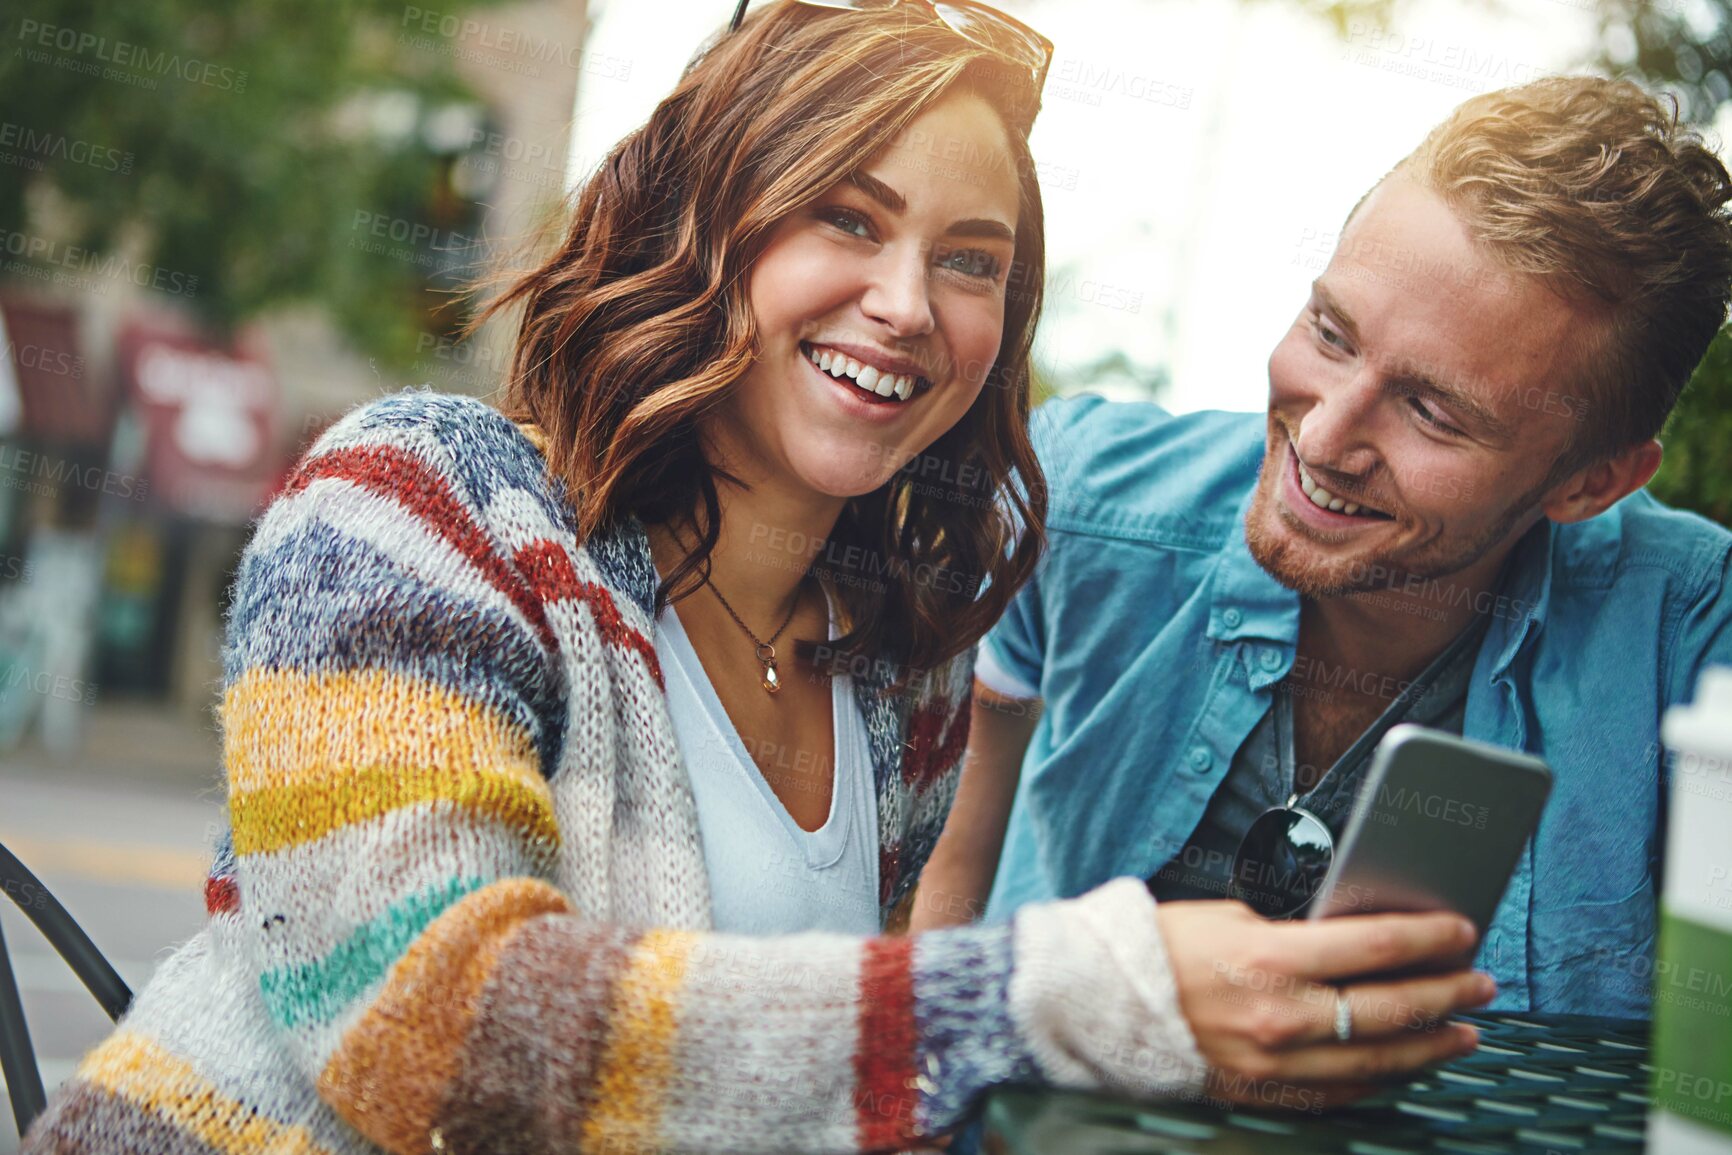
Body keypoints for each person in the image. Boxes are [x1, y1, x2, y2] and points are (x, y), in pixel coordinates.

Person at [23, 5, 1497, 1154]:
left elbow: (803, 1070)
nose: (909, 305)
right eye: (845, 219)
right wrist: (1084, 988)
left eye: (971, 260)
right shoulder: (421, 501)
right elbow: (442, 1041)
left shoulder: (898, 661)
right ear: (704, 228)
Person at [913, 76, 1732, 1023]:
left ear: (1591, 483)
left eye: (1433, 410)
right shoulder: (1084, 502)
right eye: (1331, 333)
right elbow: (957, 852)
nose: (1324, 436)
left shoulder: (1691, 635)